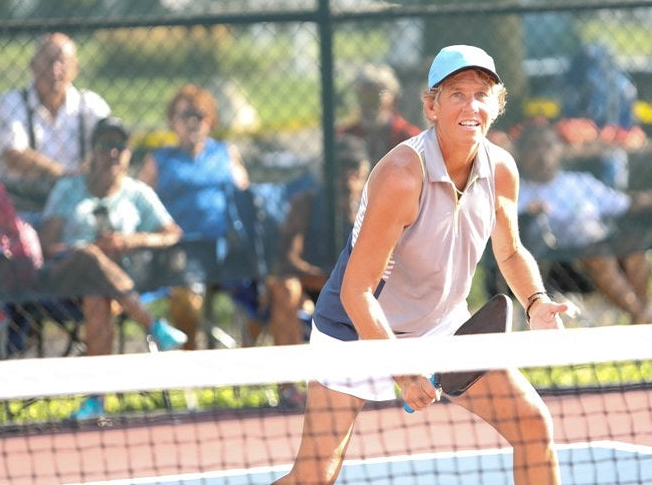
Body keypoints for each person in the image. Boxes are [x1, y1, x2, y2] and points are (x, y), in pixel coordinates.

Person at [273, 45, 568, 485]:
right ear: (431, 106)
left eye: (482, 95)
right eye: (457, 94)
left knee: (533, 427)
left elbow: (508, 250)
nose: (472, 106)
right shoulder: (401, 176)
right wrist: (405, 371)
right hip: (355, 331)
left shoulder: (501, 169)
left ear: (496, 106)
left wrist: (536, 301)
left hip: (441, 325)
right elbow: (357, 291)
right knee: (315, 476)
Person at [37, 116, 187, 419]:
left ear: (129, 152)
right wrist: (90, 251)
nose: (113, 153)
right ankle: (153, 325)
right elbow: (47, 244)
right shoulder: (69, 188)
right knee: (88, 255)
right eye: (106, 146)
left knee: (97, 297)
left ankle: (96, 401)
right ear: (93, 150)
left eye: (120, 146)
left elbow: (172, 234)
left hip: (114, 287)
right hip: (65, 277)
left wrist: (129, 241)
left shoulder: (138, 193)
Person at [516, 123, 652, 325]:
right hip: (559, 260)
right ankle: (645, 319)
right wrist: (528, 213)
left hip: (603, 241)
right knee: (597, 256)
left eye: (547, 146)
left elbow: (623, 204)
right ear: (522, 153)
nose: (541, 154)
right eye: (534, 147)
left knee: (635, 248)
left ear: (559, 149)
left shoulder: (579, 182)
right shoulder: (518, 190)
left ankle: (639, 316)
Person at [136, 83, 251, 349]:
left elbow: (246, 197)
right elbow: (139, 205)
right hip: (183, 249)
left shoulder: (225, 152)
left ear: (210, 120)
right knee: (186, 298)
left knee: (269, 287)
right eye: (184, 115)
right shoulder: (160, 159)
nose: (192, 122)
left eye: (198, 115)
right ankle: (191, 370)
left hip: (227, 246)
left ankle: (249, 366)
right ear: (172, 122)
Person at [266, 135, 370, 407]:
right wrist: (324, 280)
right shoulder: (306, 203)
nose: (348, 177)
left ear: (363, 174)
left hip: (358, 292)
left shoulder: (372, 207)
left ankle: (367, 380)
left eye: (354, 170)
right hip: (310, 287)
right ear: (328, 173)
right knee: (284, 287)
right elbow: (288, 259)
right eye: (341, 169)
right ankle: (289, 388)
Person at [0, 32, 110, 210]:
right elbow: (13, 155)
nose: (55, 70)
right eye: (48, 61)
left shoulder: (90, 104)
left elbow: (112, 143)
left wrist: (91, 167)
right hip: (22, 201)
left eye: (62, 62)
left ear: (75, 68)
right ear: (32, 66)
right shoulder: (12, 101)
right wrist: (65, 175)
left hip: (77, 202)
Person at [337, 64, 421, 165]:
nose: (367, 103)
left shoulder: (409, 137)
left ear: (393, 97)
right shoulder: (346, 136)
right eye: (362, 96)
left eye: (375, 96)